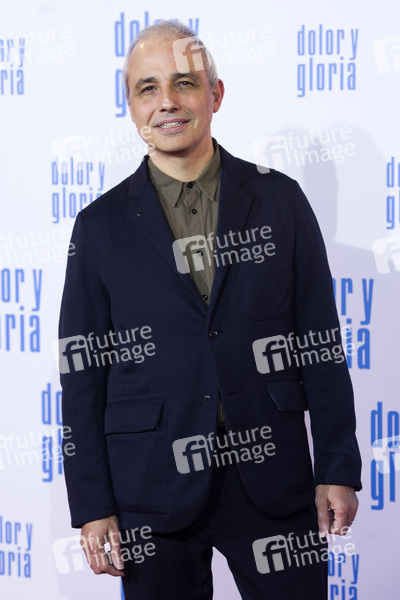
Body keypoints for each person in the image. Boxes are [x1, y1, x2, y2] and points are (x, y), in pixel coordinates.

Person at [58, 20, 361, 600]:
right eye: (148, 88)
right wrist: (93, 505)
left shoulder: (280, 200)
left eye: (184, 83)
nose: (167, 102)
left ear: (215, 94)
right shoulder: (98, 226)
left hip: (273, 476)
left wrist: (337, 467)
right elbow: (83, 373)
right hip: (150, 486)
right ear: (131, 106)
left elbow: (321, 343)